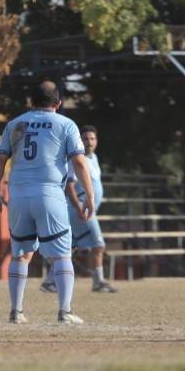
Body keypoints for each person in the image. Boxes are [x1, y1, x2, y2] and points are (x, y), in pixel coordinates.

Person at [0, 80, 94, 325]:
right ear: (58, 103)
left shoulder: (15, 124)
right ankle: (65, 311)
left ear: (30, 102)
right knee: (61, 255)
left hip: (18, 194)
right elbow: (79, 162)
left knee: (21, 253)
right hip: (49, 193)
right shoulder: (66, 124)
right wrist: (88, 195)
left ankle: (16, 311)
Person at [40, 125, 117, 293]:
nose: (89, 142)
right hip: (81, 211)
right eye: (85, 139)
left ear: (96, 141)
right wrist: (79, 207)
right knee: (98, 245)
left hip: (85, 211)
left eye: (92, 138)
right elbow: (70, 186)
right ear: (79, 141)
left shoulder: (93, 158)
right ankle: (98, 282)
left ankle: (50, 281)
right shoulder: (76, 159)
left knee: (67, 247)